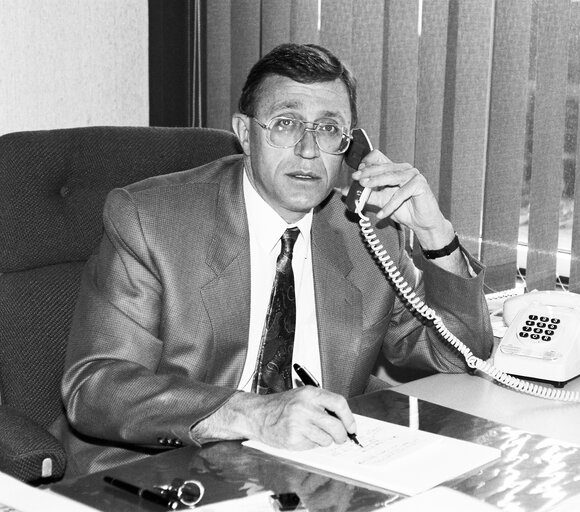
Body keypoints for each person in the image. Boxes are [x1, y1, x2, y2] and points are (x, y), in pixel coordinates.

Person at [55, 43, 493, 476]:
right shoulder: (151, 220)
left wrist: (437, 235)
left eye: (327, 129)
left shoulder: (368, 234)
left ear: (350, 145)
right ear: (245, 134)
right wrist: (253, 414)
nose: (307, 150)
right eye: (286, 124)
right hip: (162, 472)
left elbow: (459, 358)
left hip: (315, 471)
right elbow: (96, 387)